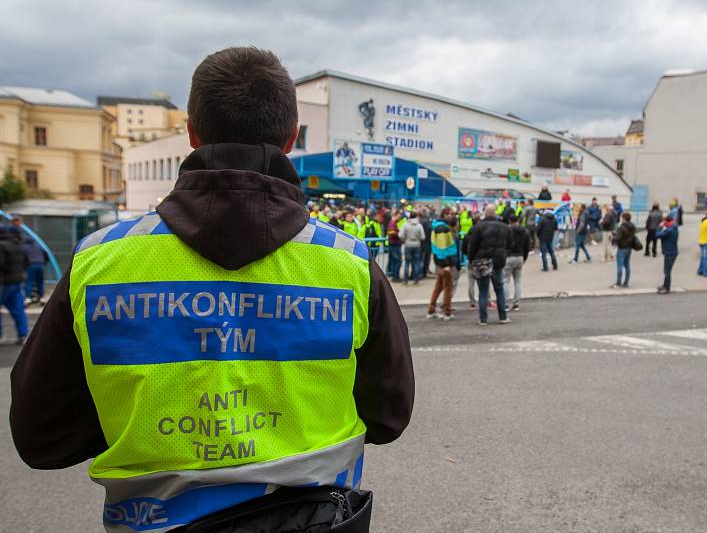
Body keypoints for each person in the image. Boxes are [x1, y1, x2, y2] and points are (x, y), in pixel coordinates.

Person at [10, 47, 414, 532]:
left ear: (192, 133)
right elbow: (388, 418)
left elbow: (42, 438)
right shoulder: (347, 263)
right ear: (290, 139)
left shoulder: (98, 259)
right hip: (313, 518)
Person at [468, 206, 511, 325]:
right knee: (499, 289)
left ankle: (483, 319)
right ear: (495, 213)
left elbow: (473, 245)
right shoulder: (504, 227)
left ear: (485, 214)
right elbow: (510, 244)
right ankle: (503, 317)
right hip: (498, 261)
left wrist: (471, 259)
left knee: (483, 291)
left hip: (482, 261)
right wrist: (503, 253)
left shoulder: (478, 227)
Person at [427, 208, 459, 320]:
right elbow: (442, 248)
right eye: (449, 214)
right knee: (447, 288)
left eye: (452, 214)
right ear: (444, 214)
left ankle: (431, 310)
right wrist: (445, 264)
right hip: (446, 262)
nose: (451, 216)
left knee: (438, 287)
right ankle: (447, 311)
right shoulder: (443, 228)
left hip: (441, 262)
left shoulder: (438, 226)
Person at [0, 226, 29, 343]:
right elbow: (26, 261)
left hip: (3, 282)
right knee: (18, 309)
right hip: (17, 281)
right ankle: (23, 335)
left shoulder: (1, 245)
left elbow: (1, 264)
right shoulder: (18, 245)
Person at [504, 214, 530, 311]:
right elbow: (528, 246)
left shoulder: (507, 231)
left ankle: (505, 304)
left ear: (509, 220)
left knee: (505, 281)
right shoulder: (525, 231)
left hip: (509, 257)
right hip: (520, 256)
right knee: (518, 281)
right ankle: (516, 304)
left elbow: (504, 244)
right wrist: (524, 258)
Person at [20, 232, 49, 303]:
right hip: (40, 264)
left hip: (31, 265)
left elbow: (22, 258)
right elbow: (46, 254)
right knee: (40, 282)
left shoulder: (24, 247)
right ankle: (42, 297)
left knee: (29, 281)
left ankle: (28, 297)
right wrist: (43, 263)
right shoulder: (38, 245)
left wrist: (24, 265)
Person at [399, 211, 425, 285]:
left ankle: (405, 281)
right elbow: (423, 237)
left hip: (408, 245)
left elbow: (400, 235)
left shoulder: (405, 225)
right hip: (417, 245)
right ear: (416, 216)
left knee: (407, 263)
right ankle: (416, 280)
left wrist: (405, 239)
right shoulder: (419, 225)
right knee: (417, 262)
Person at [656, 214, 679, 294]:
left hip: (669, 252)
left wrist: (660, 227)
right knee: (667, 270)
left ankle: (666, 288)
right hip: (672, 251)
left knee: (667, 271)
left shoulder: (669, 230)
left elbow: (657, 235)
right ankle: (665, 285)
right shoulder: (674, 227)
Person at [612, 212, 636, 288]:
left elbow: (618, 238)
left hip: (622, 248)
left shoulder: (621, 227)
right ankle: (626, 282)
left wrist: (613, 237)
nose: (621, 219)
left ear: (624, 219)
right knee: (627, 265)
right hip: (629, 248)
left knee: (620, 265)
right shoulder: (633, 226)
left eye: (622, 218)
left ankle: (618, 283)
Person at [386, 211, 403, 282]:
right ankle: (395, 276)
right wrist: (400, 233)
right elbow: (391, 233)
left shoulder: (393, 223)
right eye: (399, 216)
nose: (400, 218)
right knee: (398, 261)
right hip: (394, 244)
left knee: (395, 261)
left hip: (395, 244)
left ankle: (394, 276)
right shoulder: (392, 224)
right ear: (395, 215)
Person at [419, 207, 433, 278]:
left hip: (421, 242)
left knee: (421, 258)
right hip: (428, 242)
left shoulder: (420, 222)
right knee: (427, 258)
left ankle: (420, 272)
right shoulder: (429, 222)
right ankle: (424, 272)